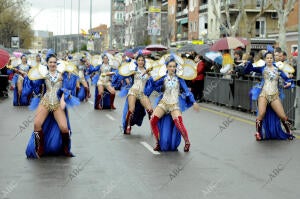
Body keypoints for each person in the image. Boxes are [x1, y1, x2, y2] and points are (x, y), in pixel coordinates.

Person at [25, 52, 80, 158]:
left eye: (54, 62)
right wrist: (30, 78)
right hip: (45, 101)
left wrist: (63, 99)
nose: (53, 64)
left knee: (64, 128)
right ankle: (39, 148)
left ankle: (66, 149)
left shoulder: (62, 74)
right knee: (37, 124)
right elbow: (36, 86)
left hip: (57, 102)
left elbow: (66, 89)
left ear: (57, 63)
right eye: (50, 62)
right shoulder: (43, 73)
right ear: (47, 63)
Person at [145, 55, 199, 152]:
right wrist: (150, 77)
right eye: (170, 66)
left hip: (174, 104)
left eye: (174, 66)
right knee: (153, 120)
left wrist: (193, 101)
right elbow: (153, 85)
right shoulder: (163, 78)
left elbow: (187, 91)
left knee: (179, 123)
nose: (172, 68)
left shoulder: (179, 79)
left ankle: (187, 142)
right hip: (164, 103)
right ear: (166, 67)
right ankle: (158, 142)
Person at [244, 51, 294, 140]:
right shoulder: (262, 68)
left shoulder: (278, 69)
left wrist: (289, 84)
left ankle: (288, 131)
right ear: (265, 59)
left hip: (274, 95)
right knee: (262, 113)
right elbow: (247, 70)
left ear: (273, 59)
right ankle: (258, 133)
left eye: (271, 58)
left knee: (282, 116)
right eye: (267, 58)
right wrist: (249, 63)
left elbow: (287, 80)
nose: (269, 59)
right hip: (263, 94)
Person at [119, 53, 153, 135]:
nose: (141, 62)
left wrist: (150, 75)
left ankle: (153, 128)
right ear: (136, 61)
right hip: (133, 91)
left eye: (142, 60)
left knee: (150, 110)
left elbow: (153, 83)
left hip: (141, 93)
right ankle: (128, 126)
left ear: (144, 62)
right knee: (131, 109)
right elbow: (123, 74)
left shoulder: (148, 71)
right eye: (139, 60)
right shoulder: (134, 70)